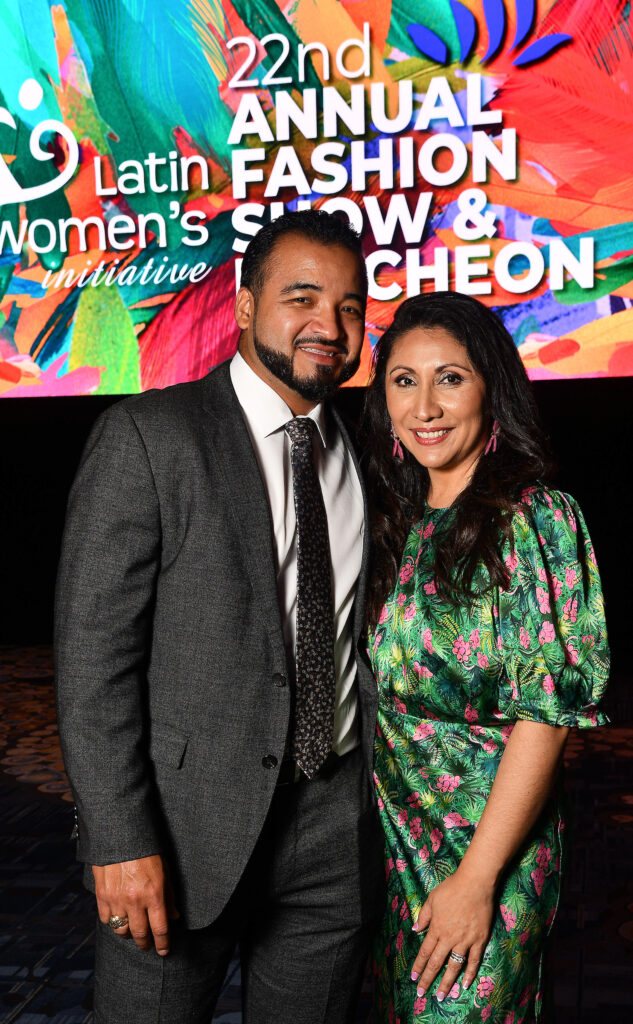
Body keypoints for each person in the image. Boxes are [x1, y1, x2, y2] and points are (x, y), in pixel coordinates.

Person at [55, 209, 385, 1024]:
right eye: (301, 297)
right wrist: (118, 839)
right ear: (242, 307)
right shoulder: (148, 437)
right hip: (177, 835)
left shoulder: (370, 455)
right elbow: (94, 663)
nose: (329, 326)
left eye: (349, 307)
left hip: (332, 833)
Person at [363, 292, 609, 1023]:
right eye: (403, 380)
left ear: (490, 390)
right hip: (387, 850)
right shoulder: (391, 523)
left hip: (485, 855)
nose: (425, 405)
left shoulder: (534, 519)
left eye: (450, 377)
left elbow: (546, 717)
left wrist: (476, 881)